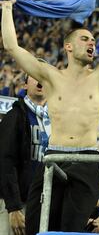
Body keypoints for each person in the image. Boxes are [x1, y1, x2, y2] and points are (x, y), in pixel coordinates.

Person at [1, 0, 99, 234]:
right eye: (85, 39)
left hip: (87, 160)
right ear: (68, 46)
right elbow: (12, 47)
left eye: (93, 40)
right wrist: (7, 8)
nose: (92, 43)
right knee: (37, 226)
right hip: (53, 157)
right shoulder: (51, 76)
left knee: (71, 230)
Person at [0, 73, 49, 235]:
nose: (40, 78)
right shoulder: (15, 115)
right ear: (25, 85)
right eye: (34, 74)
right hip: (17, 204)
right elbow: (5, 162)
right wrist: (13, 207)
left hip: (43, 204)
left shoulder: (56, 120)